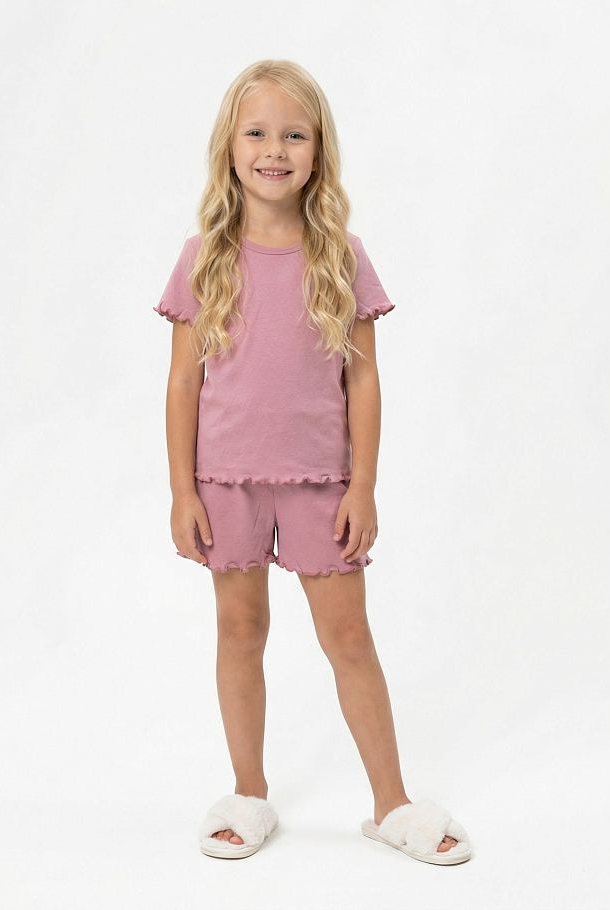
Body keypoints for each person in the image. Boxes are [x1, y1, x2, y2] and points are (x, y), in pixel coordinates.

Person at [154, 59, 471, 865]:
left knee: (349, 638)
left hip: (321, 482)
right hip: (225, 480)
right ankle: (248, 792)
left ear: (318, 150)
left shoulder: (341, 255)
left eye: (294, 135)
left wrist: (362, 484)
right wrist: (181, 490)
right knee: (239, 630)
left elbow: (362, 379)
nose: (274, 150)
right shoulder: (203, 256)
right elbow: (182, 383)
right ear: (229, 148)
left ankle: (391, 803)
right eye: (257, 133)